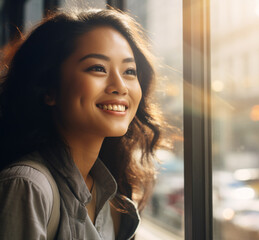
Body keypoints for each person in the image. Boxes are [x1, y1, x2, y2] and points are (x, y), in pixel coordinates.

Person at [0, 8, 163, 240]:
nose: (120, 86)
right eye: (97, 68)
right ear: (49, 89)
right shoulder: (28, 186)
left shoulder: (109, 194)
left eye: (129, 71)